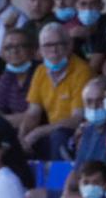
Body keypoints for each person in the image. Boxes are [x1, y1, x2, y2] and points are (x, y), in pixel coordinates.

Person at [20, 23, 91, 159]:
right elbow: (33, 113)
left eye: (59, 44)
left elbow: (77, 119)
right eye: (47, 45)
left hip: (76, 133)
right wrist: (21, 136)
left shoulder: (82, 71)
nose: (54, 50)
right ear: (40, 50)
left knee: (58, 136)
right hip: (51, 131)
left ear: (69, 45)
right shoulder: (40, 71)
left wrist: (38, 132)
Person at [0, 28, 35, 128]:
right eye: (8, 48)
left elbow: (36, 117)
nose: (14, 51)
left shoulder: (41, 73)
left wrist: (2, 120)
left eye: (21, 46)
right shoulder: (6, 76)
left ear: (32, 50)